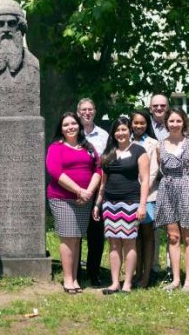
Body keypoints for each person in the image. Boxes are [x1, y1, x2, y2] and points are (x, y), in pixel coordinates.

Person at [46, 112, 102, 294]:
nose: (70, 127)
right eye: (65, 125)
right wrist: (78, 190)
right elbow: (55, 171)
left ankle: (75, 277)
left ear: (79, 125)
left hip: (84, 199)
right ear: (61, 129)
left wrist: (89, 192)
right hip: (62, 198)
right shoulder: (56, 147)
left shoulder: (88, 147)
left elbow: (98, 168)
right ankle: (68, 279)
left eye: (73, 124)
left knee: (77, 238)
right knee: (68, 237)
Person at [93, 116, 149, 294]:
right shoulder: (108, 153)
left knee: (129, 243)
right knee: (114, 244)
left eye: (124, 129)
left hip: (131, 202)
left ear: (130, 131)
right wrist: (97, 205)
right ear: (113, 133)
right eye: (117, 130)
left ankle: (127, 284)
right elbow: (103, 183)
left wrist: (142, 205)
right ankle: (115, 282)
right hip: (110, 204)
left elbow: (145, 180)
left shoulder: (139, 151)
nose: (121, 133)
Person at [155, 107, 189, 292]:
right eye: (171, 121)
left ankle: (188, 280)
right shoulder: (160, 145)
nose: (174, 124)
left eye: (178, 121)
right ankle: (175, 280)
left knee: (188, 237)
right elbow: (160, 168)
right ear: (166, 123)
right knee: (173, 237)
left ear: (184, 122)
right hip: (166, 189)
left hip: (187, 187)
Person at [76, 98, 109, 286]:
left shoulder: (103, 135)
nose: (87, 113)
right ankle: (76, 273)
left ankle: (94, 272)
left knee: (96, 234)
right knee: (76, 233)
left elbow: (106, 164)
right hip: (76, 189)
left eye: (90, 109)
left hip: (97, 190)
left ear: (94, 111)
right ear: (78, 112)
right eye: (83, 110)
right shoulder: (72, 132)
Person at [131, 110, 160, 288]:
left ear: (147, 124)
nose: (139, 126)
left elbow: (154, 171)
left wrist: (140, 191)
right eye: (136, 123)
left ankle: (147, 276)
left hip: (148, 195)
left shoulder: (153, 144)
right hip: (130, 197)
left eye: (142, 123)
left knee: (148, 235)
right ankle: (137, 272)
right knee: (135, 236)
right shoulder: (126, 141)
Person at [149, 93, 169, 277]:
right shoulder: (145, 127)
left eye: (162, 105)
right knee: (153, 226)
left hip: (172, 182)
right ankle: (153, 265)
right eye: (156, 106)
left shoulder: (175, 125)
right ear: (150, 108)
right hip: (152, 183)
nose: (159, 109)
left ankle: (172, 266)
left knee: (172, 225)